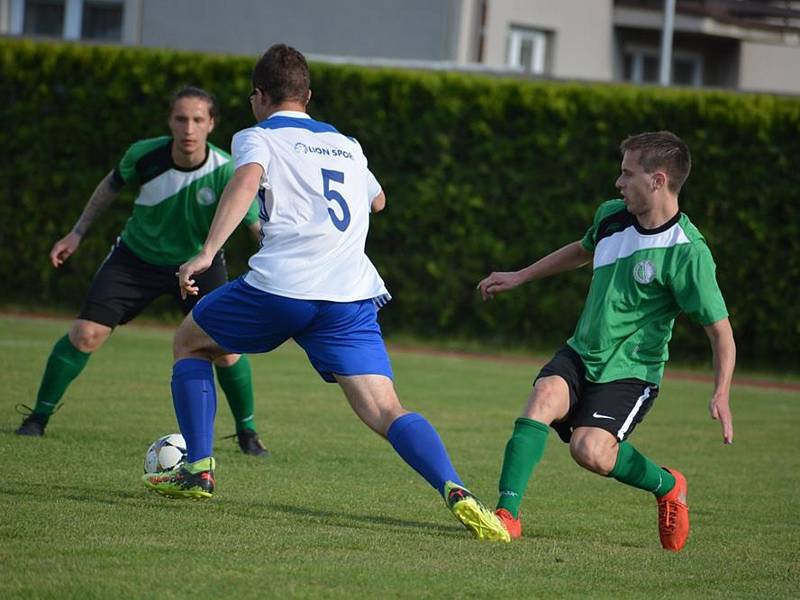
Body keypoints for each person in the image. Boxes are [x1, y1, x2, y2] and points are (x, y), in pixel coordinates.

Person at [142, 44, 509, 542]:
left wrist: (209, 251)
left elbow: (247, 181)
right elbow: (378, 200)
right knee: (386, 410)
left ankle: (198, 470)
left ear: (258, 96)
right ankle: (457, 490)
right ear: (308, 95)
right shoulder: (346, 144)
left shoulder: (257, 135)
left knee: (191, 341)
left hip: (282, 287)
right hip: (348, 294)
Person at [477, 131, 735, 551]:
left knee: (590, 451)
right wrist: (520, 275)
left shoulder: (688, 252)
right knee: (543, 395)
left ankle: (669, 486)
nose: (618, 183)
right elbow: (582, 250)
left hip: (631, 372)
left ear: (658, 180)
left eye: (627, 174)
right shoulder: (612, 216)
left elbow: (719, 331)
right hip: (581, 353)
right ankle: (506, 516)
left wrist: (721, 392)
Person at [16, 86, 269, 457]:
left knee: (226, 351)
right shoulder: (144, 155)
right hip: (136, 260)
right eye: (181, 119)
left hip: (199, 265)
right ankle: (36, 418)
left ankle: (248, 433)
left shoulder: (227, 170)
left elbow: (253, 225)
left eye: (198, 120)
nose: (188, 128)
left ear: (211, 125)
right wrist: (77, 232)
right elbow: (109, 187)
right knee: (86, 334)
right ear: (170, 121)